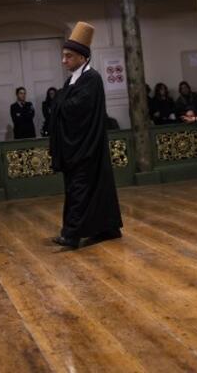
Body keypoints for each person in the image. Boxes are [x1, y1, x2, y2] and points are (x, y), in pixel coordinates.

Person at [49, 22, 123, 249]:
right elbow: (62, 103)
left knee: (80, 190)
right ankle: (107, 228)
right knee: (88, 189)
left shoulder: (91, 79)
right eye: (63, 56)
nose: (64, 61)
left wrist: (59, 102)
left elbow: (73, 108)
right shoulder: (72, 79)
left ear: (82, 58)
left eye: (68, 57)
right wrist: (60, 102)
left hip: (86, 147)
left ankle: (71, 235)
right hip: (76, 146)